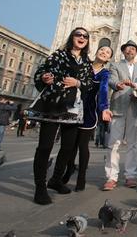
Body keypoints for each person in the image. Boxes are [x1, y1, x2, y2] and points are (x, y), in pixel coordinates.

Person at [30, 27, 93, 205]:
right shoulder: (57, 55)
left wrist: (78, 82)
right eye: (78, 35)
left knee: (68, 148)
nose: (81, 38)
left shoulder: (86, 62)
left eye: (85, 36)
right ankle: (40, 188)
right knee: (45, 147)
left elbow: (88, 83)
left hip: (73, 109)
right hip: (54, 105)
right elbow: (41, 72)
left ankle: (56, 179)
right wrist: (45, 78)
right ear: (71, 37)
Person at [63, 44, 113, 191]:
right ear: (96, 52)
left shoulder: (105, 73)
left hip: (89, 111)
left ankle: (81, 177)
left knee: (83, 146)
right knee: (70, 145)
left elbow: (103, 91)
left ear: (109, 58)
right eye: (102, 50)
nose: (104, 52)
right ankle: (69, 169)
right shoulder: (84, 65)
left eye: (107, 52)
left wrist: (104, 108)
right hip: (73, 107)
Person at [103, 40, 137, 191]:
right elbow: (111, 80)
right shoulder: (115, 65)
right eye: (127, 49)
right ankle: (112, 177)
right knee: (114, 143)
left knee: (132, 143)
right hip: (119, 106)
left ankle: (130, 175)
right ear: (123, 52)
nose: (130, 51)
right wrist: (117, 85)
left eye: (133, 49)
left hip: (134, 107)